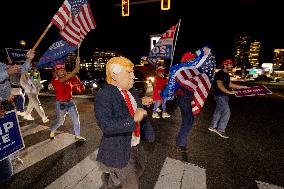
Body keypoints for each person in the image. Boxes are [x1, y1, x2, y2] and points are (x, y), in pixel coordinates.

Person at [94, 56, 150, 189]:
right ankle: (115, 178)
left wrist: (142, 103)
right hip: (118, 148)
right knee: (132, 184)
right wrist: (133, 120)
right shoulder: (104, 94)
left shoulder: (130, 91)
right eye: (129, 72)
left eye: (133, 72)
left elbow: (132, 107)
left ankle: (113, 180)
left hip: (135, 143)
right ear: (114, 75)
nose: (133, 76)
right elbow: (106, 125)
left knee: (140, 168)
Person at [0, 49, 35, 183]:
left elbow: (22, 69)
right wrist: (6, 73)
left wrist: (28, 59)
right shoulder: (4, 70)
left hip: (6, 105)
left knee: (11, 135)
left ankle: (13, 157)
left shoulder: (2, 65)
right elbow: (5, 74)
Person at [49, 56, 86, 141]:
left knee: (76, 120)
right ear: (56, 72)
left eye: (63, 70)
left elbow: (76, 71)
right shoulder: (56, 80)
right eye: (59, 71)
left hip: (70, 102)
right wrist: (75, 68)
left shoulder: (69, 78)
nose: (61, 72)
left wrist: (77, 63)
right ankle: (52, 130)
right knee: (60, 122)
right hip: (61, 104)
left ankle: (77, 136)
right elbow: (73, 73)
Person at [208, 59, 248, 138]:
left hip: (224, 96)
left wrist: (242, 87)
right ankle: (221, 130)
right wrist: (229, 92)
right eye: (230, 64)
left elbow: (230, 84)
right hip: (220, 96)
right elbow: (220, 85)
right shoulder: (220, 73)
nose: (232, 66)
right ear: (225, 65)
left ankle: (212, 126)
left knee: (218, 111)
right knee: (227, 112)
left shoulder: (226, 74)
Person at [174, 51, 197, 152]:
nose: (194, 61)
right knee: (188, 120)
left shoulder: (189, 70)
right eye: (192, 59)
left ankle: (181, 140)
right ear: (187, 60)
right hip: (184, 97)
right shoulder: (183, 70)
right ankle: (181, 142)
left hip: (186, 98)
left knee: (188, 120)